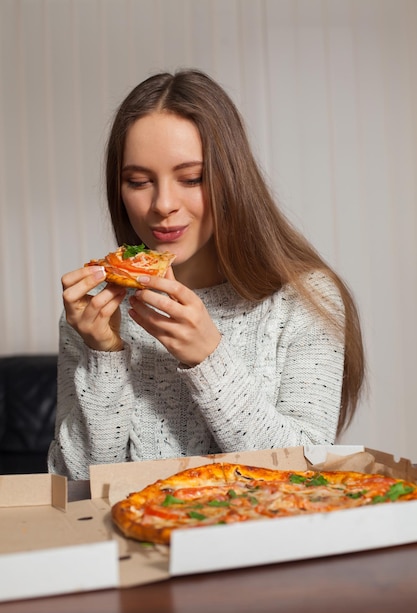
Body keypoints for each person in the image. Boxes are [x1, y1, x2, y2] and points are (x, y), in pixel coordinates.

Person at [48, 69, 365, 480]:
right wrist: (104, 356)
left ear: (231, 178)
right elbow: (74, 486)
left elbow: (307, 472)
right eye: (139, 181)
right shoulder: (92, 315)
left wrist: (209, 357)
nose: (163, 204)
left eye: (192, 178)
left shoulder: (305, 298)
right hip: (132, 540)